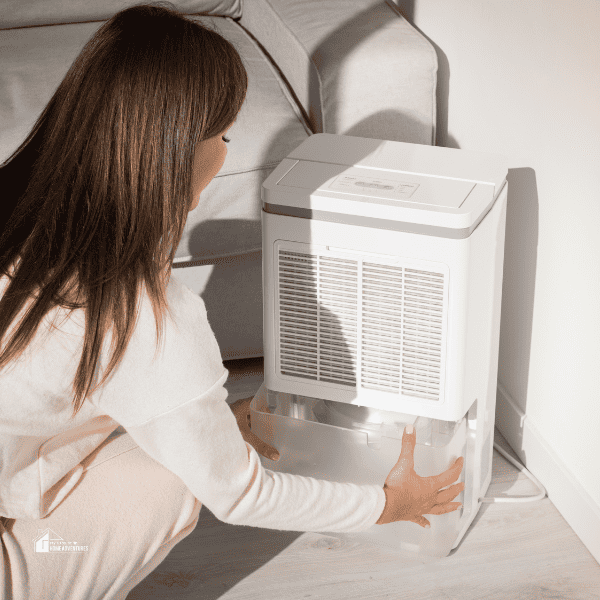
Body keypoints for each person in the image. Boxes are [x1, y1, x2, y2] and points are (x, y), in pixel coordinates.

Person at [0, 3, 464, 599]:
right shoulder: (140, 313)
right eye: (224, 134)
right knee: (169, 482)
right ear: (178, 150)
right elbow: (242, 493)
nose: (226, 148)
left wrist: (209, 418)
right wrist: (389, 504)